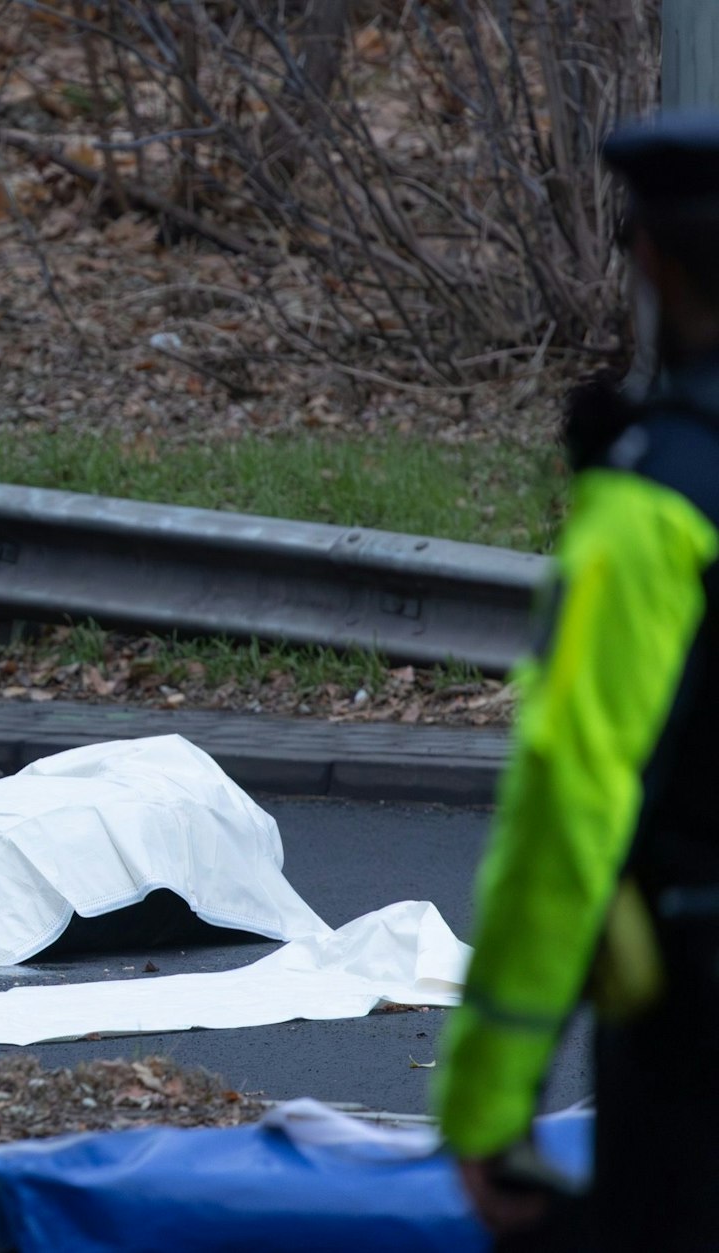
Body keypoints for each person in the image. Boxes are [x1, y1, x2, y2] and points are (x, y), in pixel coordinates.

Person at [434, 111, 719, 1251]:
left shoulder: (653, 506)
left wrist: (488, 1099)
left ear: (646, 257)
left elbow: (567, 801)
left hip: (691, 1049)